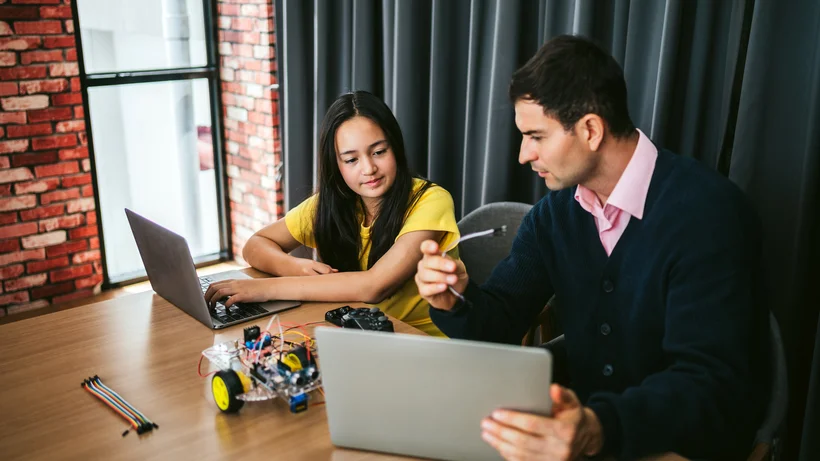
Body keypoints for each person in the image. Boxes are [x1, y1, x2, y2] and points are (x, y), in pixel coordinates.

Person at [414, 35, 769, 459]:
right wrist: (452, 300)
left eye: (535, 136)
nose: (524, 155)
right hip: (586, 433)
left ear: (590, 130)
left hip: (681, 443)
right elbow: (499, 321)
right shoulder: (554, 216)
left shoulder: (711, 214)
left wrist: (598, 428)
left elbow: (710, 386)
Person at [206, 91, 459, 336]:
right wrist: (294, 266)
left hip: (423, 342)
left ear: (396, 148)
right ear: (335, 165)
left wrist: (264, 289)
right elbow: (255, 245)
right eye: (351, 160)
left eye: (379, 152)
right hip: (360, 335)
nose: (369, 168)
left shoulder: (430, 200)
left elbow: (374, 286)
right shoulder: (330, 205)